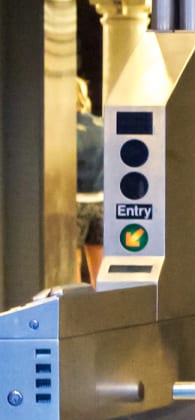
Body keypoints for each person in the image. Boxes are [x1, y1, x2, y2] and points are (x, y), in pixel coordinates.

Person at [75, 77, 104, 283]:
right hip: (100, 200)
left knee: (71, 263)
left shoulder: (61, 128)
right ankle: (101, 310)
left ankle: (71, 312)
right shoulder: (102, 124)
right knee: (99, 263)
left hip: (72, 202)